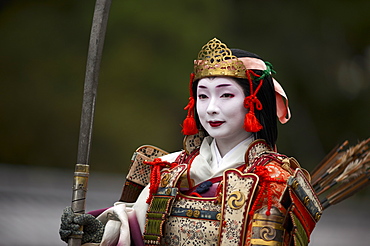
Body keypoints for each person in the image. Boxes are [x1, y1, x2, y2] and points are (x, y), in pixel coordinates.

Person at [60, 38, 322, 246]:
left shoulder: (274, 180)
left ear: (254, 101)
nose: (211, 109)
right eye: (203, 96)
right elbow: (134, 232)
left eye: (226, 95)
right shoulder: (169, 170)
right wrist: (97, 233)